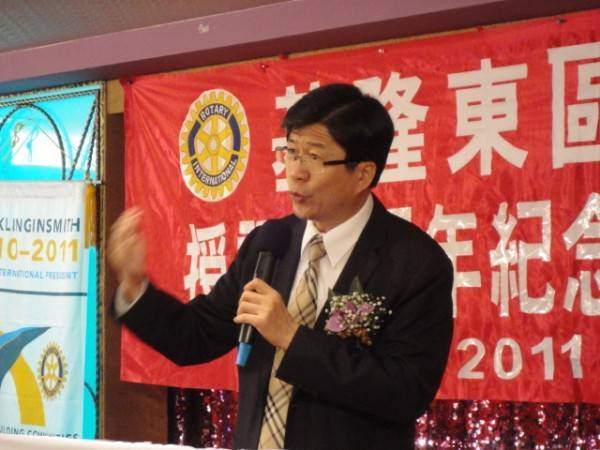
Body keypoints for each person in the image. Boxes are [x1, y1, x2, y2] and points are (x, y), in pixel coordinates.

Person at [109, 83, 454, 450]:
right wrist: (134, 286)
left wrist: (291, 337)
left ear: (362, 174)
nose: (295, 172)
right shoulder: (270, 244)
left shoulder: (414, 262)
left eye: (314, 157)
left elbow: (405, 391)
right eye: (291, 152)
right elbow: (195, 337)